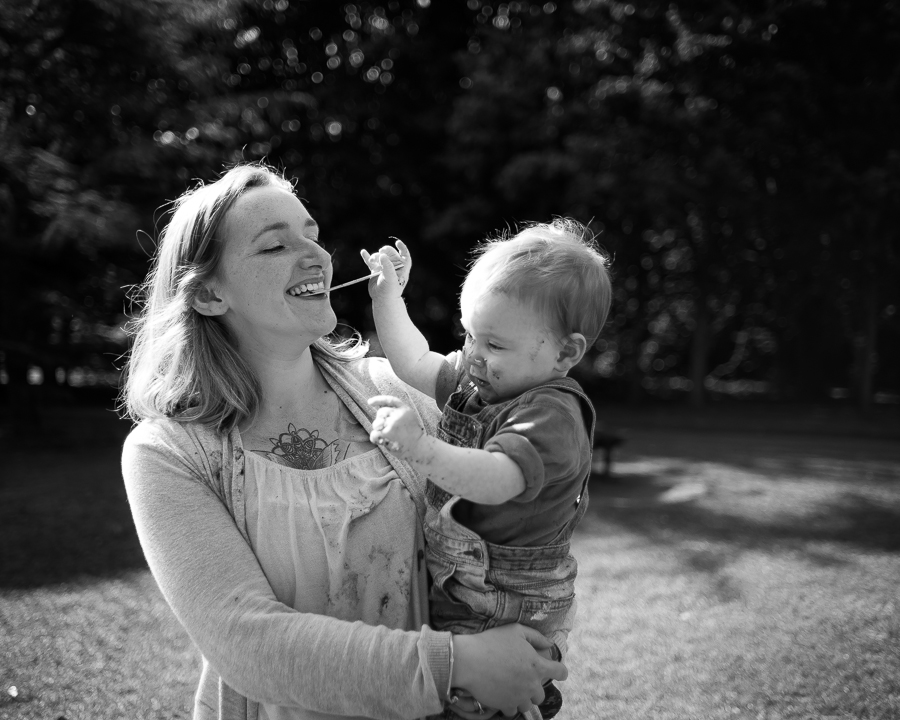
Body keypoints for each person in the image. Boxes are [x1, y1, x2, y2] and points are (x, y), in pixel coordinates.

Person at [119, 163, 567, 720]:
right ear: (210, 294)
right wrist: (458, 664)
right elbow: (246, 642)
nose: (316, 255)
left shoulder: (394, 390)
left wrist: (520, 641)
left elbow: (499, 525)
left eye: (312, 233)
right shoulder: (169, 453)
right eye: (274, 246)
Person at [361, 220, 612, 720]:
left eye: (494, 345)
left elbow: (496, 480)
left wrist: (421, 447)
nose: (473, 355)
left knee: (479, 705)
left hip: (504, 603)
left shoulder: (551, 414)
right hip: (463, 587)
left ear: (566, 352)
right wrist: (389, 296)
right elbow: (414, 359)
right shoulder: (482, 385)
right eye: (469, 335)